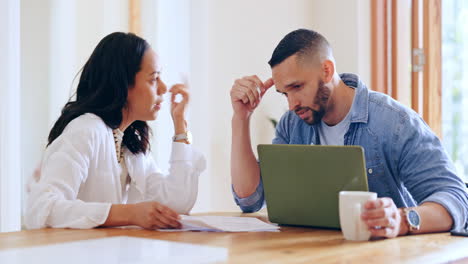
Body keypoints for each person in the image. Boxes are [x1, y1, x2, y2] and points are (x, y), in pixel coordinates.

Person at [229, 28, 468, 238]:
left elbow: (455, 198)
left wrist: (402, 220)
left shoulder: (394, 122)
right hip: (312, 253)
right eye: (284, 93)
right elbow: (250, 199)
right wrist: (241, 118)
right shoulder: (292, 124)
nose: (292, 105)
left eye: (297, 87)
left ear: (327, 70)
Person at [25, 32, 205, 229]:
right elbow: (42, 208)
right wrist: (129, 213)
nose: (163, 88)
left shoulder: (129, 141)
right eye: (154, 78)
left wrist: (180, 126)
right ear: (122, 82)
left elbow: (176, 204)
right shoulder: (86, 129)